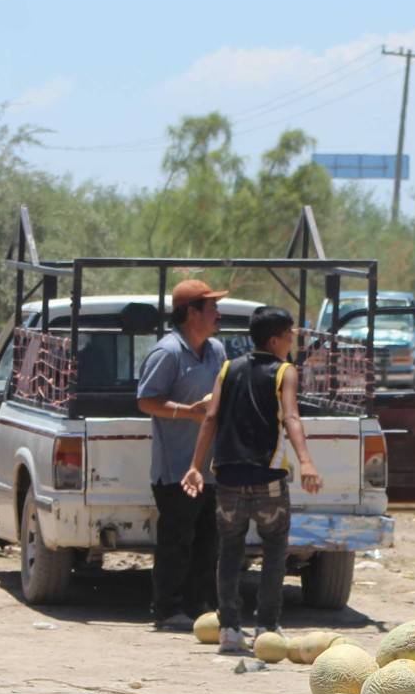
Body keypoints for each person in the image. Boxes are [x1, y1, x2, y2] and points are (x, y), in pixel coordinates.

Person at [181, 305, 322, 654]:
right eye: (289, 336)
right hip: (268, 478)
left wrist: (195, 466)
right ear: (275, 340)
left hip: (227, 478)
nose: (291, 342)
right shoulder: (284, 372)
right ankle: (267, 626)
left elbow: (210, 418)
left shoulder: (228, 368)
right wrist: (306, 462)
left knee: (229, 551)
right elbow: (291, 417)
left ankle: (229, 629)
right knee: (275, 550)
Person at [136, 278, 229, 631]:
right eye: (212, 308)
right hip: (176, 469)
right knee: (176, 541)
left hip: (211, 470)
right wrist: (188, 411)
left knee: (209, 541)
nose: (218, 314)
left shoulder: (217, 351)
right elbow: (146, 400)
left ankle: (201, 608)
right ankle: (168, 609)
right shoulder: (168, 353)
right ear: (192, 313)